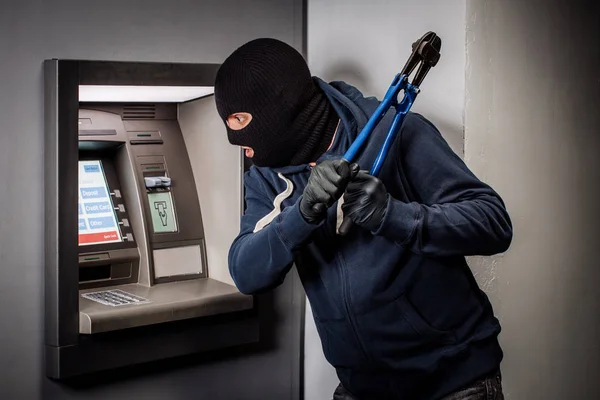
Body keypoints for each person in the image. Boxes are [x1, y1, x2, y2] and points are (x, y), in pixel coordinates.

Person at [214, 38, 512, 400]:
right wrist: (301, 216)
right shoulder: (265, 176)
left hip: (453, 382)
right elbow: (246, 272)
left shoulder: (397, 130)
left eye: (240, 120)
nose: (237, 141)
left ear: (281, 106)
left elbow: (493, 222)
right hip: (362, 389)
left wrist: (393, 216)